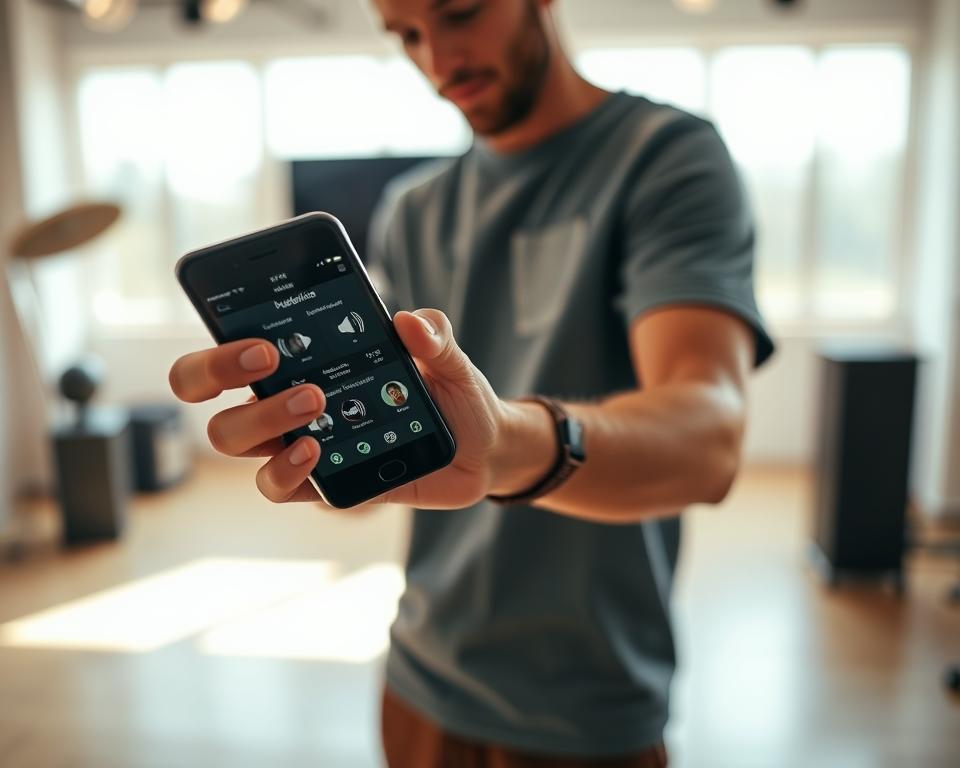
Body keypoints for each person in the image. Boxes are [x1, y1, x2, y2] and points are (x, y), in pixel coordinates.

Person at [168, 0, 775, 765]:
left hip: (585, 703)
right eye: (407, 35)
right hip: (418, 680)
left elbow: (707, 439)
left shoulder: (667, 157)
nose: (437, 59)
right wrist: (316, 446)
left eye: (460, 13)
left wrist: (505, 449)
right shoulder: (412, 211)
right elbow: (382, 474)